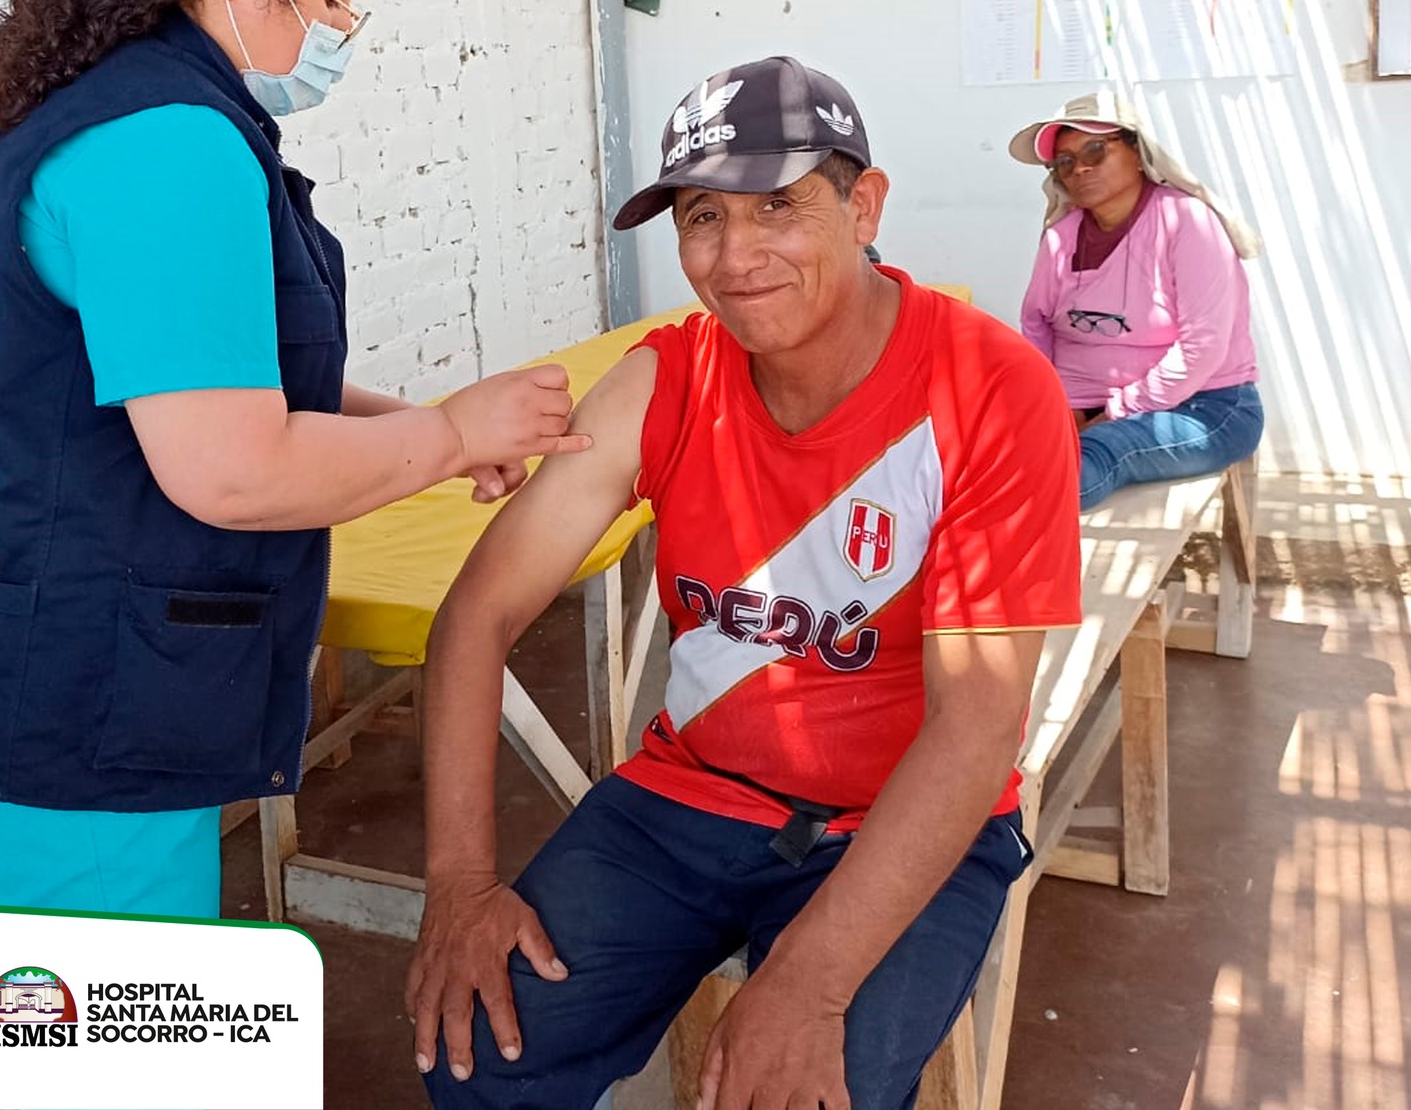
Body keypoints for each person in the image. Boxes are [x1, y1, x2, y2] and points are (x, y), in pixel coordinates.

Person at [0, 0, 587, 923]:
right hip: (79, 718)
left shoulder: (96, 110)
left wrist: (426, 431)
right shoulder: (168, 148)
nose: (335, 32)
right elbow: (229, 467)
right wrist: (445, 436)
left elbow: (206, 368)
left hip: (8, 669)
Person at [406, 57, 1083, 1110]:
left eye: (777, 207)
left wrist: (807, 984)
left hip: (897, 821)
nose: (736, 255)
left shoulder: (989, 390)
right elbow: (475, 616)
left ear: (863, 206)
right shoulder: (668, 376)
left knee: (807, 1090)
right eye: (702, 216)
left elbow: (976, 723)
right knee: (480, 1047)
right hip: (684, 801)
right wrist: (457, 887)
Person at [1011, 92, 1265, 510]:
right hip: (1083, 407)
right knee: (990, 444)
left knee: (1102, 450)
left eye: (1095, 148)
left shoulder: (1187, 222)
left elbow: (1202, 346)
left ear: (1136, 150)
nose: (1081, 168)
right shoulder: (1062, 235)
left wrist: (1109, 415)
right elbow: (1037, 324)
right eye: (1065, 162)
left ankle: (1009, 527)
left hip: (1204, 407)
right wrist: (1055, 403)